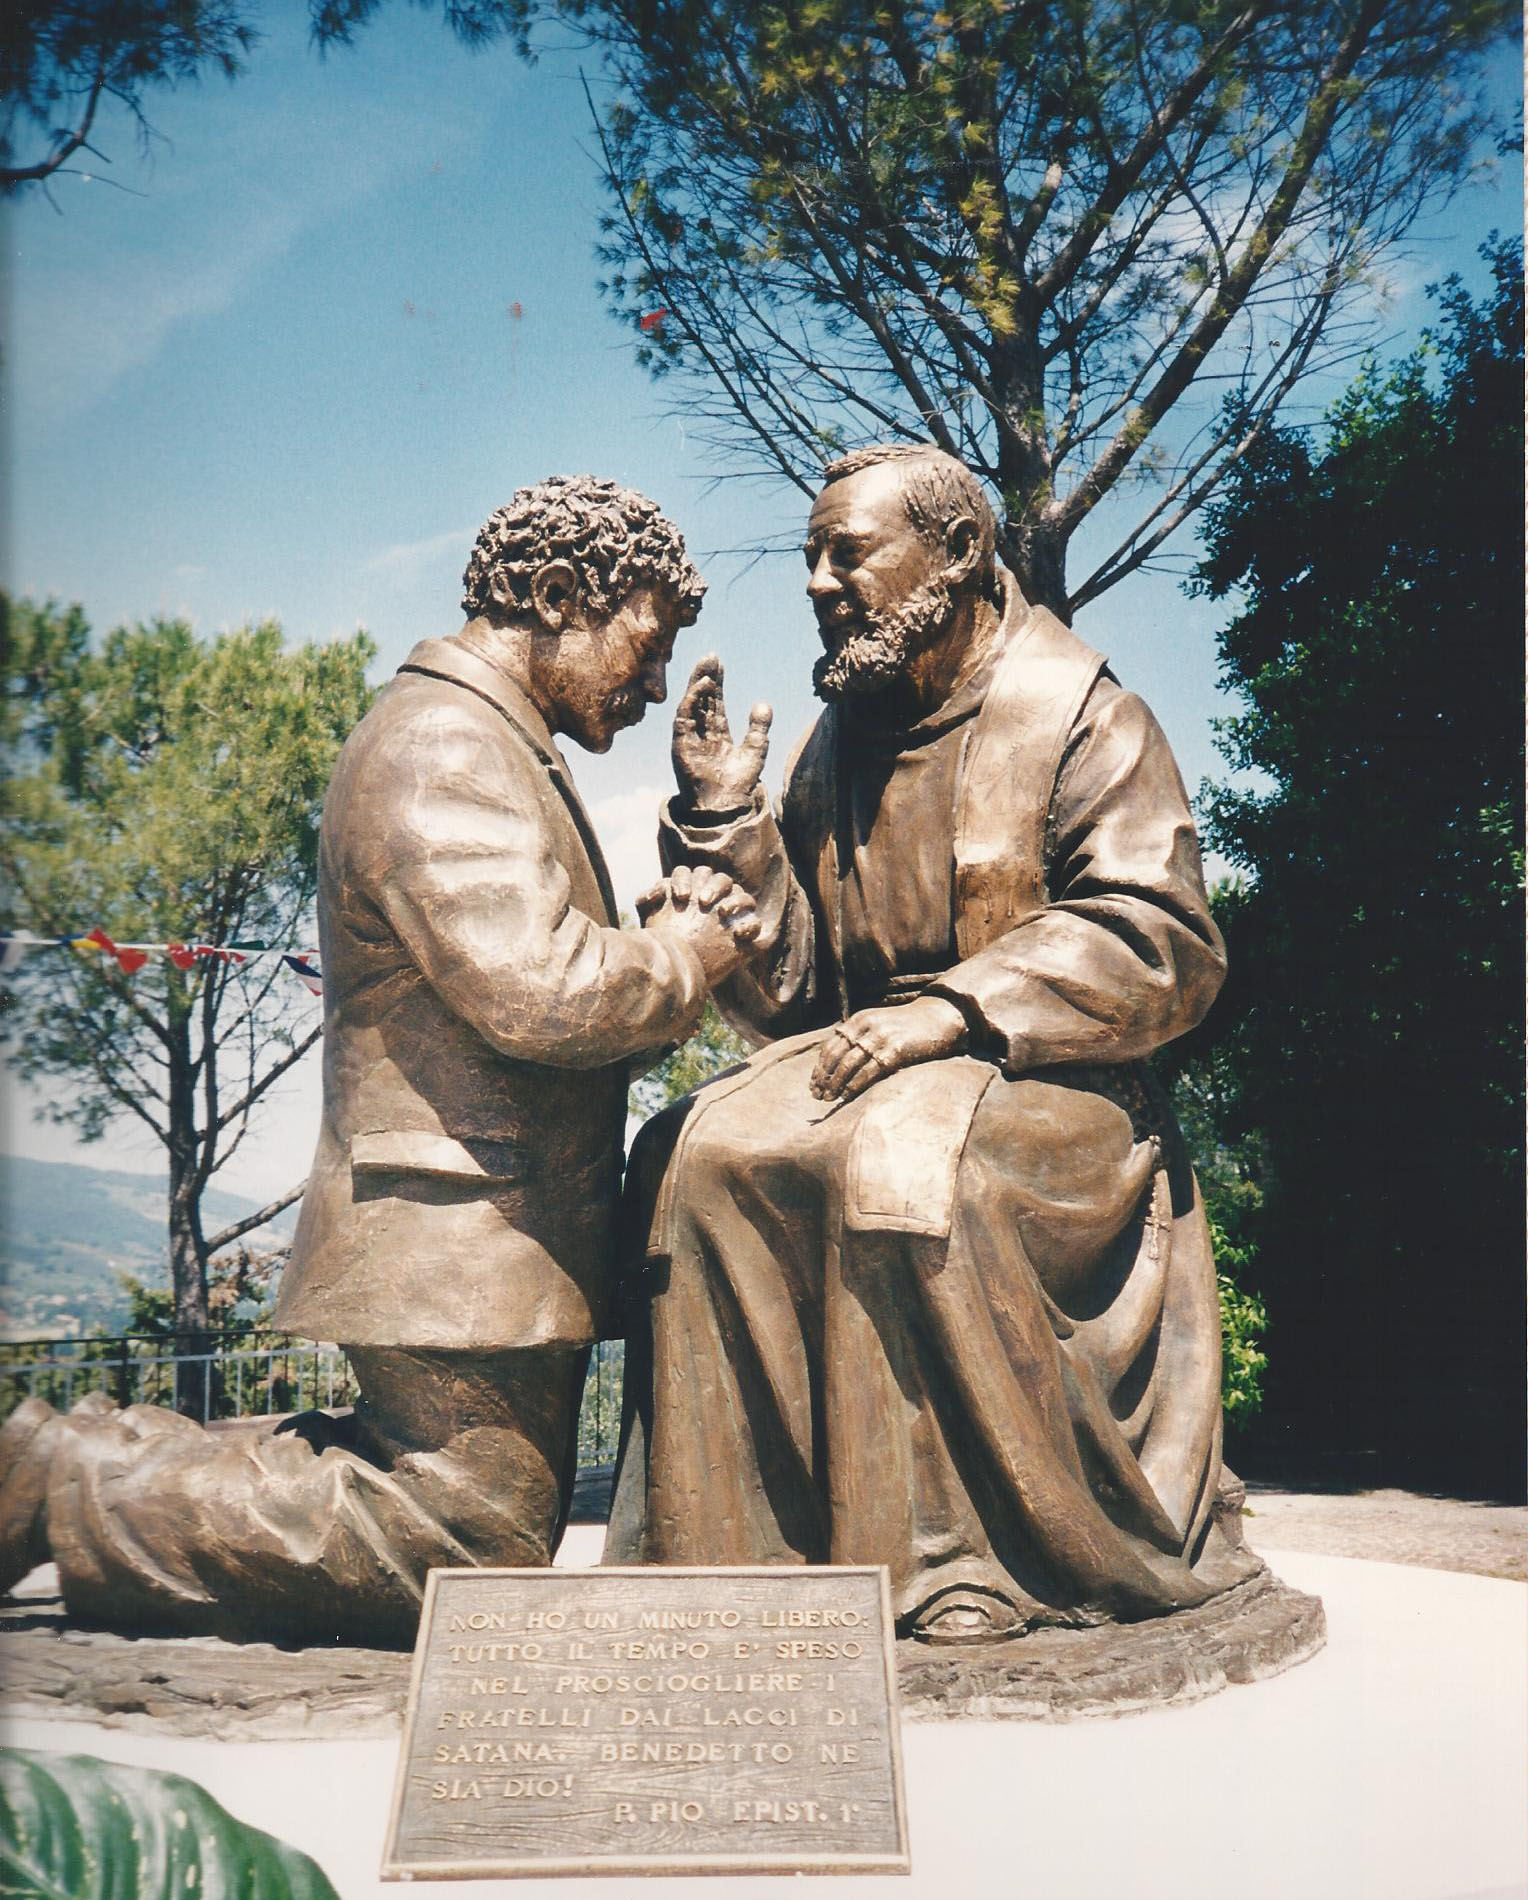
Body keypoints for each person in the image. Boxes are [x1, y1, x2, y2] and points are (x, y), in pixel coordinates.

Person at [0, 476, 757, 1646]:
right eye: (646, 645)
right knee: (460, 1538)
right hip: (455, 1230)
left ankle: (100, 1458)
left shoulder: (490, 739)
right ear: (558, 596)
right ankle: (66, 1477)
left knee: (442, 1506)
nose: (655, 682)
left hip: (490, 1228)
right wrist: (685, 953)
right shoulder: (444, 741)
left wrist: (661, 931)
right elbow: (540, 992)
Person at [607, 444, 1261, 1643]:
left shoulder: (1085, 716)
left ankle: (948, 1557)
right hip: (868, 1057)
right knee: (688, 1157)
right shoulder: (845, 736)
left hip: (1055, 1076)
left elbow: (1166, 938)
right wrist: (725, 819)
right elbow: (792, 987)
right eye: (811, 554)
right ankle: (728, 1548)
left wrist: (956, 1009)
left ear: (956, 554)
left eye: (844, 551)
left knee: (908, 1170)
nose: (815, 579)